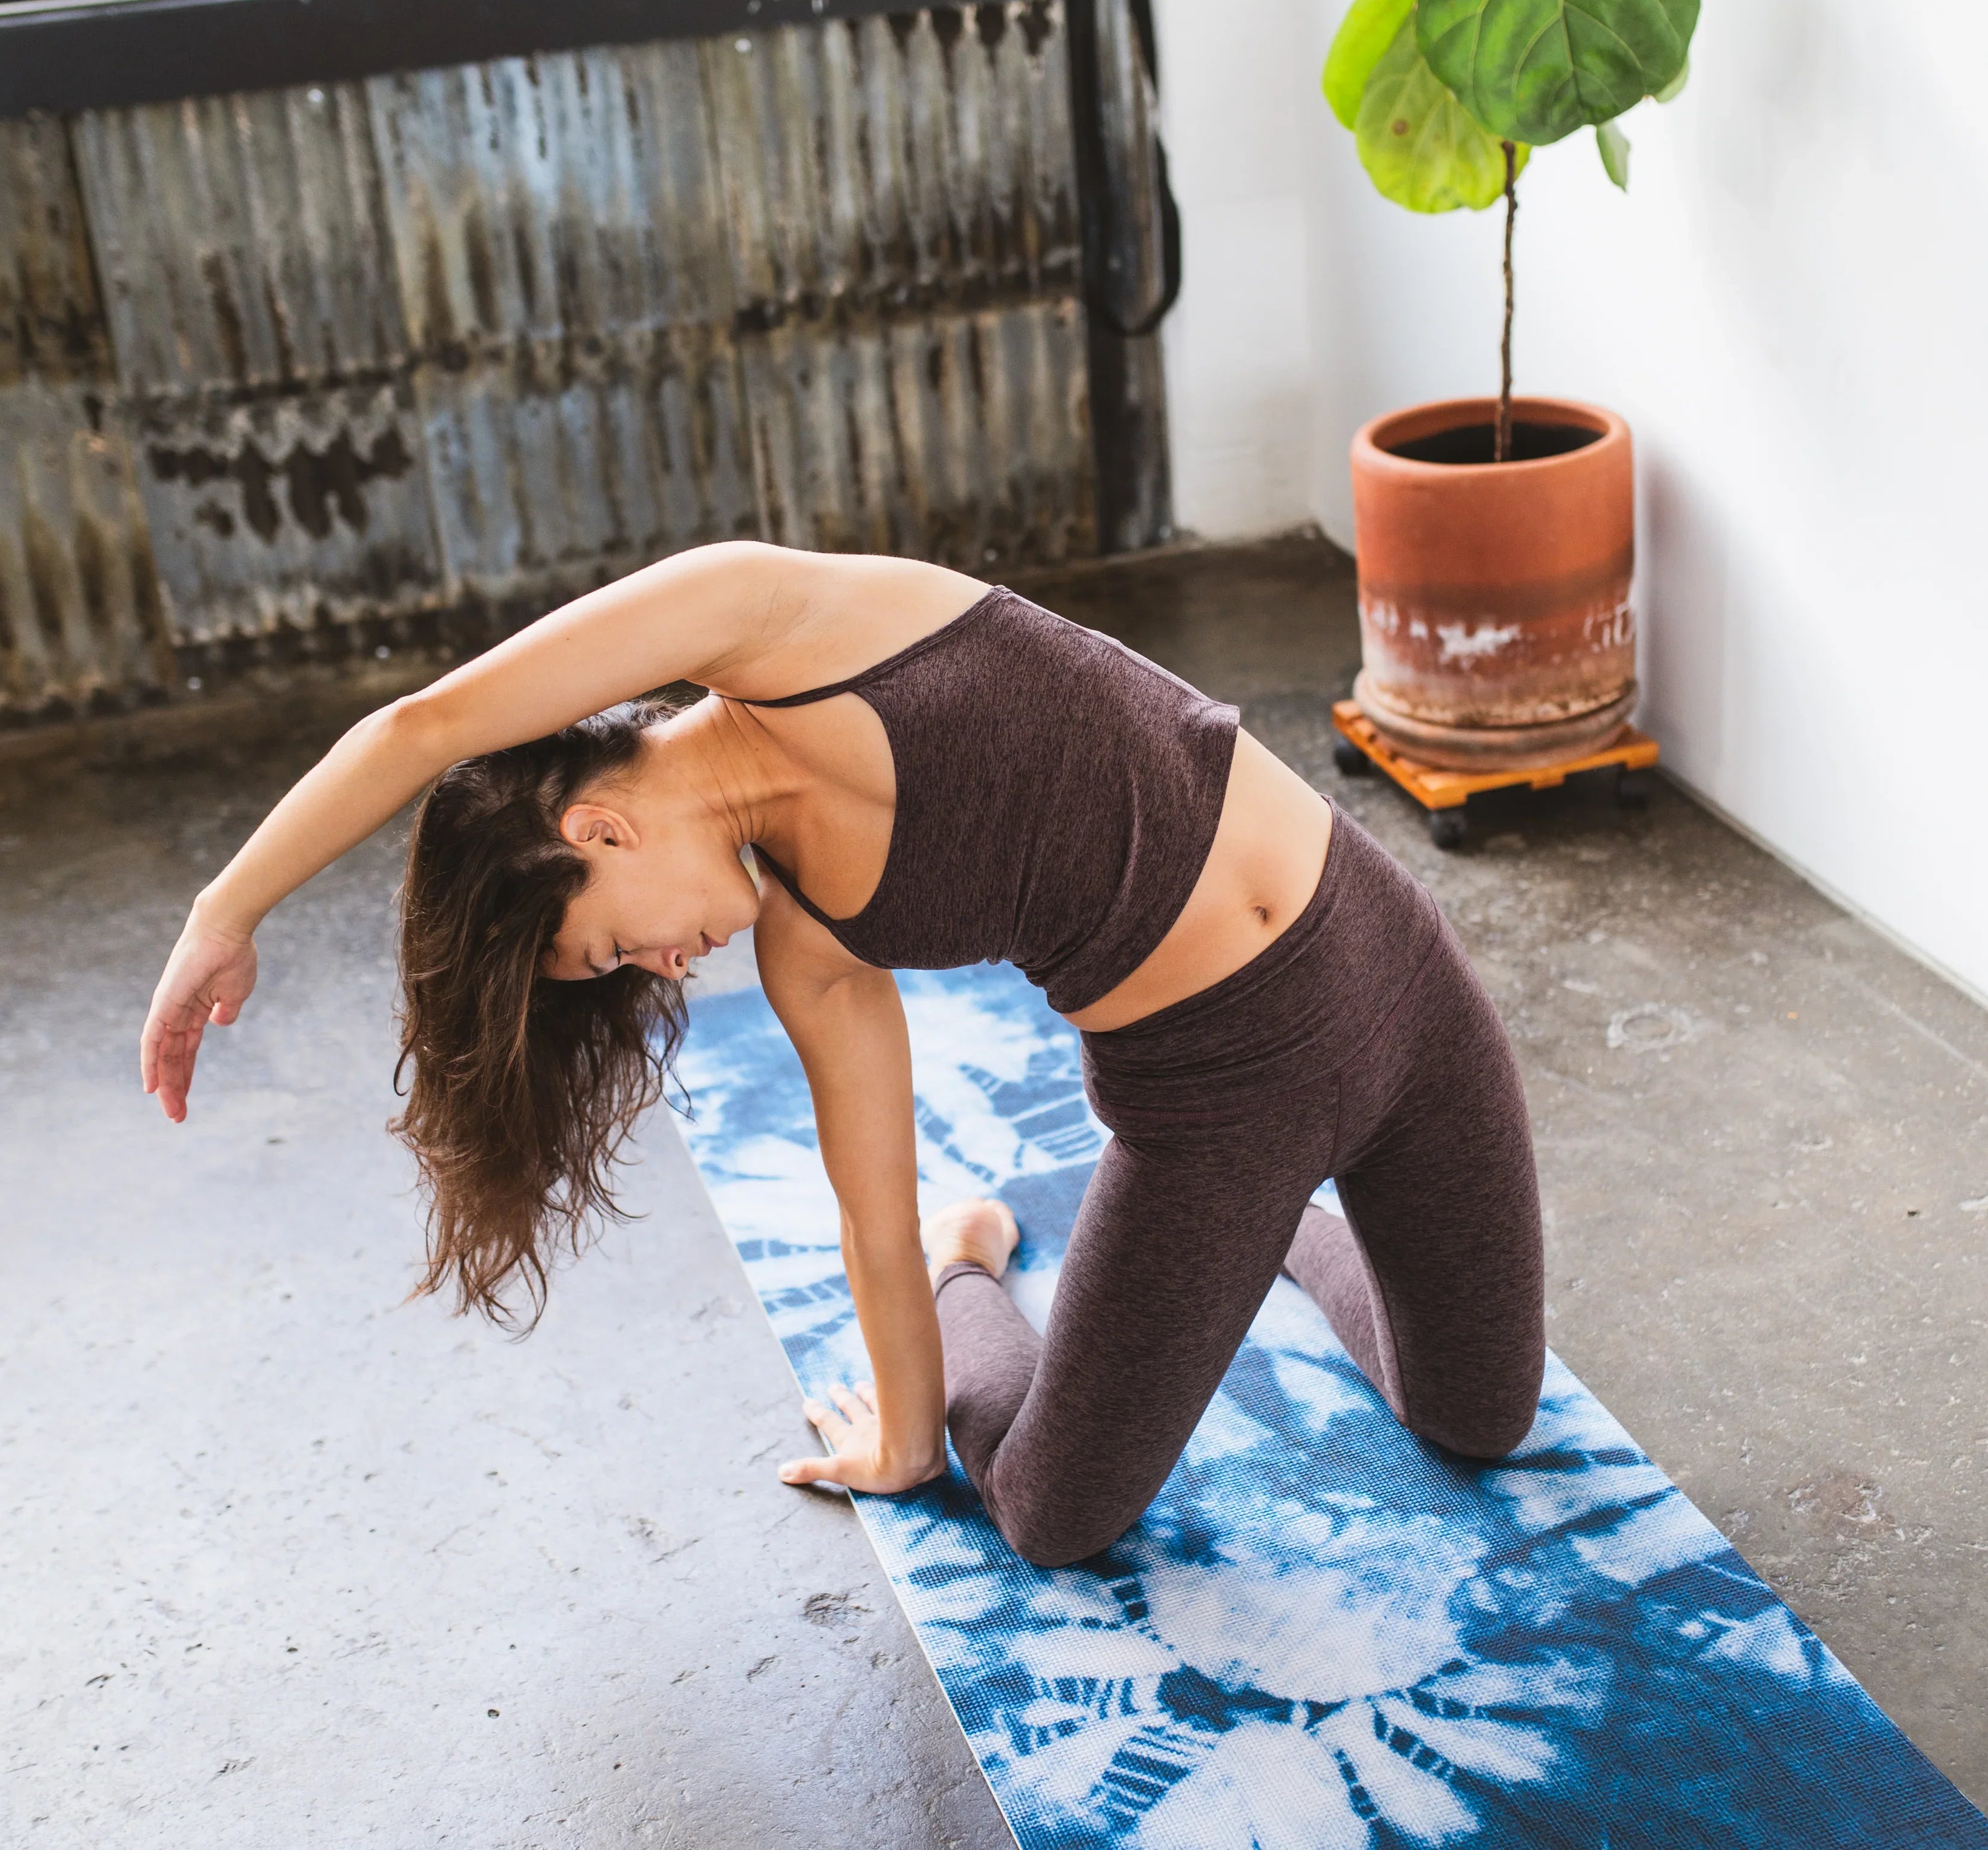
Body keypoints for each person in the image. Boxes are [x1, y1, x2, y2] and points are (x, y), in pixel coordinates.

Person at [140, 541, 1544, 1567]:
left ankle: (1288, 1237)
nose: (662, 970)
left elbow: (427, 725)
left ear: (598, 832)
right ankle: (981, 1259)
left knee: (1479, 1417)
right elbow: (867, 1213)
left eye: (608, 949)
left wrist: (228, 906)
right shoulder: (812, 942)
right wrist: (908, 1437)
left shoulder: (784, 621)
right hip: (1216, 1108)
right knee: (1055, 1516)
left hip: (1393, 962)